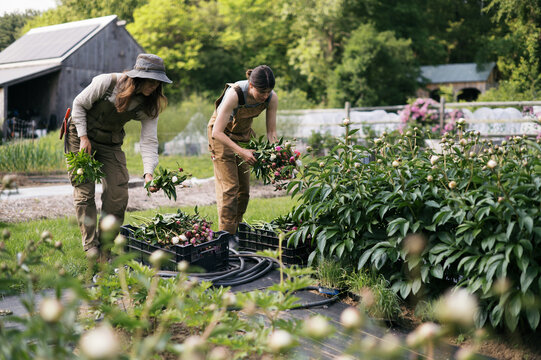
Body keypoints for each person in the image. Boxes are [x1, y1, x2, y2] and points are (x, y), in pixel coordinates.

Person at [66, 53, 171, 259]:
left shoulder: (149, 105)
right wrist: (84, 137)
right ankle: (91, 248)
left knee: (118, 193)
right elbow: (78, 104)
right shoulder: (108, 83)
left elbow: (149, 141)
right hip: (80, 135)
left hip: (110, 143)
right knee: (84, 191)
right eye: (151, 81)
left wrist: (148, 174)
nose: (154, 87)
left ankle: (105, 247)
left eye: (158, 83)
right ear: (138, 77)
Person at [207, 65, 278, 240]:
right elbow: (217, 132)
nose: (264, 96)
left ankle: (235, 229)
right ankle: (226, 236)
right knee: (230, 188)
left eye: (268, 92)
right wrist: (242, 152)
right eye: (261, 92)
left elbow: (271, 134)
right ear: (251, 85)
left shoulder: (271, 98)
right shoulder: (235, 94)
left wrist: (278, 157)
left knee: (244, 191)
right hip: (221, 136)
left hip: (243, 137)